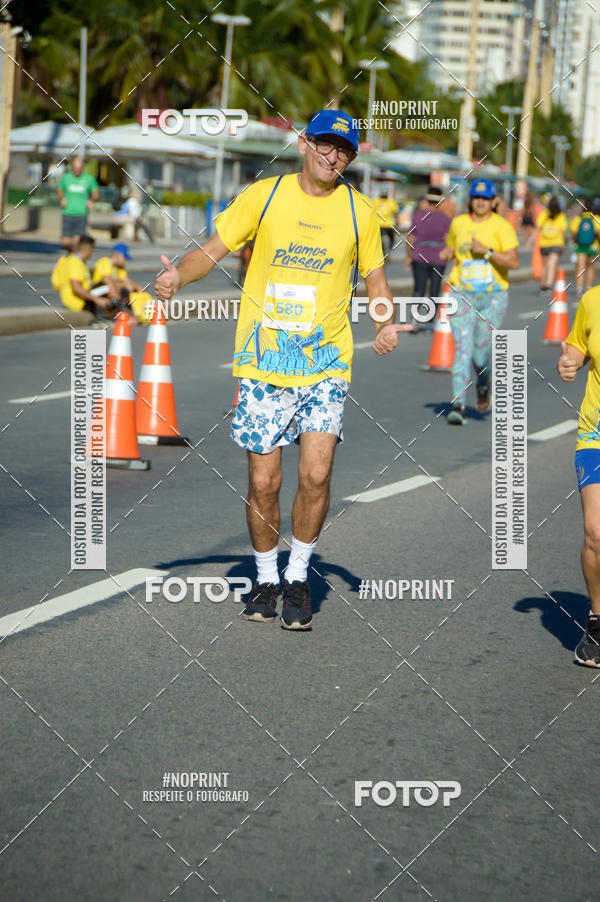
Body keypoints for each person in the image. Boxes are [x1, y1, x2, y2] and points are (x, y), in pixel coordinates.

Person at [155, 108, 410, 630]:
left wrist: (384, 323)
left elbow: (377, 285)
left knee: (316, 473)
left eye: (342, 149)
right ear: (303, 143)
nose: (331, 154)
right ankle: (266, 580)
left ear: (350, 159)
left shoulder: (360, 212)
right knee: (265, 482)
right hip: (264, 362)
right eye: (323, 143)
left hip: (327, 362)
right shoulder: (265, 196)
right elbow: (214, 250)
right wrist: (178, 276)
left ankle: (297, 578)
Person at [440, 179, 520, 425]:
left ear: (494, 201)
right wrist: (445, 253)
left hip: (493, 296)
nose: (480, 203)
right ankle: (458, 405)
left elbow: (514, 262)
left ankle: (483, 380)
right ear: (470, 200)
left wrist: (485, 251)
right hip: (461, 293)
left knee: (479, 354)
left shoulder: (502, 226)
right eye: (476, 198)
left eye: (485, 199)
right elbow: (451, 248)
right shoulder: (459, 223)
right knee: (462, 350)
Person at [557, 284, 600, 666]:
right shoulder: (592, 299)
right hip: (596, 431)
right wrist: (570, 360)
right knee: (597, 531)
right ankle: (598, 622)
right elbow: (577, 347)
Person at [405, 186, 450, 330]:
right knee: (434, 290)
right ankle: (430, 322)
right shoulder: (445, 219)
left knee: (419, 288)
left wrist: (408, 256)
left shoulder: (418, 215)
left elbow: (410, 238)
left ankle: (414, 320)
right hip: (438, 257)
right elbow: (449, 240)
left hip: (419, 256)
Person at [92, 243, 152, 324]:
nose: (125, 260)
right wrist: (116, 292)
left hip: (108, 288)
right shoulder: (105, 262)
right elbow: (107, 279)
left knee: (126, 290)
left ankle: (129, 315)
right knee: (115, 289)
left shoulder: (119, 267)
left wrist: (138, 288)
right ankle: (112, 317)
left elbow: (126, 281)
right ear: (119, 255)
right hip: (97, 290)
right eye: (125, 258)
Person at [56, 235, 112, 322]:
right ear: (88, 249)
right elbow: (76, 288)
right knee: (107, 287)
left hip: (80, 298)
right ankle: (115, 314)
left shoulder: (78, 261)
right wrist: (97, 299)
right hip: (77, 301)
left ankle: (112, 313)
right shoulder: (75, 263)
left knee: (105, 286)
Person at [56, 155, 99, 252]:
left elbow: (96, 194)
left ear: (83, 167)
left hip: (81, 213)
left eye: (79, 168)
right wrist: (61, 199)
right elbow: (59, 190)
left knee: (77, 240)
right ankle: (71, 255)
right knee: (65, 241)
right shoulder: (66, 178)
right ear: (72, 167)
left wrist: (91, 201)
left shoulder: (89, 179)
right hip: (67, 212)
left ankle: (74, 259)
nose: (77, 170)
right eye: (75, 168)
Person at [536, 195, 568, 291]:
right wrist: (564, 244)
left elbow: (538, 227)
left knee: (545, 266)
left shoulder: (544, 214)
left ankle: (543, 284)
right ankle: (548, 285)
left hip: (544, 243)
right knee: (552, 265)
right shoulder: (561, 216)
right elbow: (562, 232)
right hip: (556, 243)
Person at [570, 199, 600, 299]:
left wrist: (576, 240)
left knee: (580, 267)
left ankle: (579, 289)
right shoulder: (595, 218)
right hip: (592, 246)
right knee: (590, 267)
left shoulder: (578, 219)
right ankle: (588, 287)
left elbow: (573, 231)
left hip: (580, 246)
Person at [373, 193, 399, 262]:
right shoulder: (390, 202)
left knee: (381, 240)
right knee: (392, 239)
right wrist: (398, 221)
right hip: (386, 224)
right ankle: (387, 253)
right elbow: (395, 213)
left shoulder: (376, 201)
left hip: (382, 224)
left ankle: (384, 253)